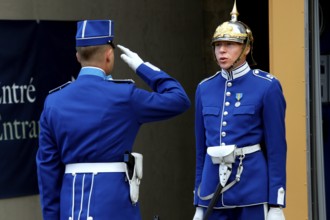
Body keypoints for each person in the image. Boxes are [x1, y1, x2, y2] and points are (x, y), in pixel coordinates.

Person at [36, 19, 190, 220]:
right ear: (109, 55)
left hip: (70, 205)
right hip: (113, 205)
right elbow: (179, 99)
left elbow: (47, 168)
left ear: (77, 56)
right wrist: (142, 67)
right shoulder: (125, 96)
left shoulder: (53, 101)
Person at [192, 1, 287, 220]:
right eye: (218, 45)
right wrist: (198, 200)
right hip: (212, 191)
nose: (222, 50)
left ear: (247, 48)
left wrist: (276, 202)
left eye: (230, 44)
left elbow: (276, 149)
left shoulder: (267, 86)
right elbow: (200, 150)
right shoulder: (204, 88)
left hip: (252, 189)